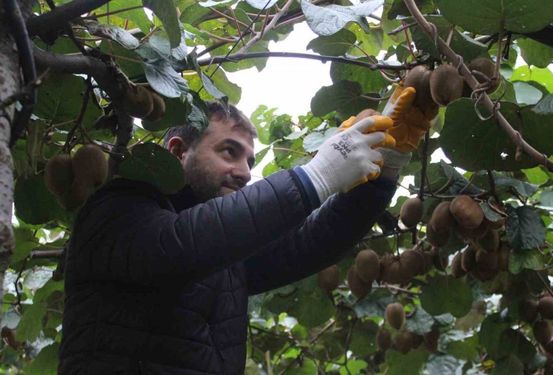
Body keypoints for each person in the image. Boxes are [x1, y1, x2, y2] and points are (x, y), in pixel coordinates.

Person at [57, 85, 430, 374]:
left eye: (250, 160)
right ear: (177, 151)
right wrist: (316, 175)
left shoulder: (227, 256)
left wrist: (387, 165)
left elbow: (310, 242)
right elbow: (181, 244)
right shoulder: (116, 208)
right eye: (228, 152)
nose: (246, 172)